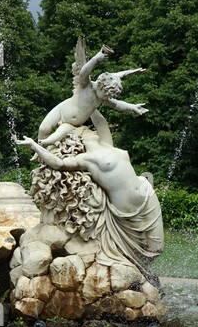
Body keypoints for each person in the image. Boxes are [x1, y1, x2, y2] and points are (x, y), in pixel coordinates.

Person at [15, 110, 164, 269]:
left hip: (146, 193)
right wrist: (34, 146)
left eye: (87, 128)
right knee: (144, 252)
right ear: (75, 137)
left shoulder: (107, 142)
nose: (89, 130)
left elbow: (98, 117)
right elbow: (58, 164)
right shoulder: (85, 159)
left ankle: (143, 278)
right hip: (127, 210)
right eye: (81, 130)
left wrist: (89, 94)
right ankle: (138, 278)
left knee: (157, 248)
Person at [36, 38, 146, 146]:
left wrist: (133, 107)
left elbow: (117, 104)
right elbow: (84, 72)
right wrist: (97, 58)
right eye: (106, 95)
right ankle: (40, 156)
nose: (107, 98)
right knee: (43, 129)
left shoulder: (101, 98)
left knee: (54, 137)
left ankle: (42, 150)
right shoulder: (86, 85)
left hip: (71, 125)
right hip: (61, 110)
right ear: (101, 85)